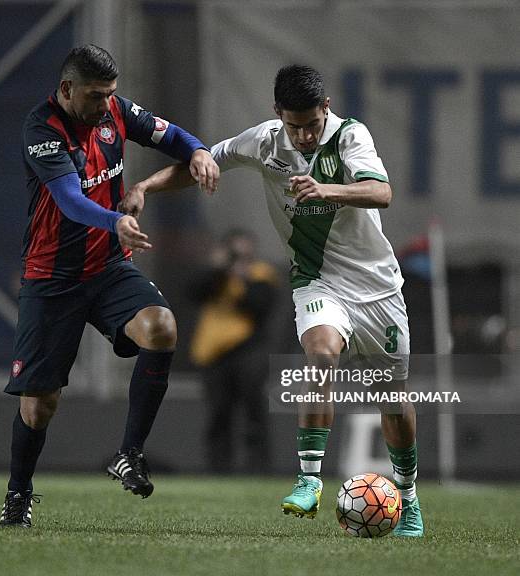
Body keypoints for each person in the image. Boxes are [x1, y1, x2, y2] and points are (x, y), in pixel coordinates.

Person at [120, 65, 423, 536]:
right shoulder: (264, 141)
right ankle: (308, 480)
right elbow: (201, 161)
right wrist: (144, 187)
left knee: (390, 399)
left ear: (326, 109)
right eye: (293, 125)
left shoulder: (349, 136)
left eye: (311, 124)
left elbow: (381, 192)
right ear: (277, 113)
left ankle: (409, 496)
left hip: (378, 286)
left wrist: (328, 189)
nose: (303, 135)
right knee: (321, 353)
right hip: (317, 279)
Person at [0, 44, 219, 528]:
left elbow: (173, 135)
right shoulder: (42, 130)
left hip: (107, 268)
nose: (106, 105)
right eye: (96, 96)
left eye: (111, 95)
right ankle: (18, 495)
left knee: (161, 328)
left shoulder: (116, 112)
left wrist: (199, 150)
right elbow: (70, 201)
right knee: (39, 406)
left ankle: (129, 454)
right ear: (66, 89)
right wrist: (114, 221)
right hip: (52, 277)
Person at [189, 229, 278, 473]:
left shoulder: (260, 274)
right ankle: (218, 469)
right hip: (214, 353)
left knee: (253, 410)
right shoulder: (215, 275)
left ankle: (258, 467)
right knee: (218, 412)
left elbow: (260, 306)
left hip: (247, 349)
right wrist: (218, 269)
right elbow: (193, 292)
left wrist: (243, 278)